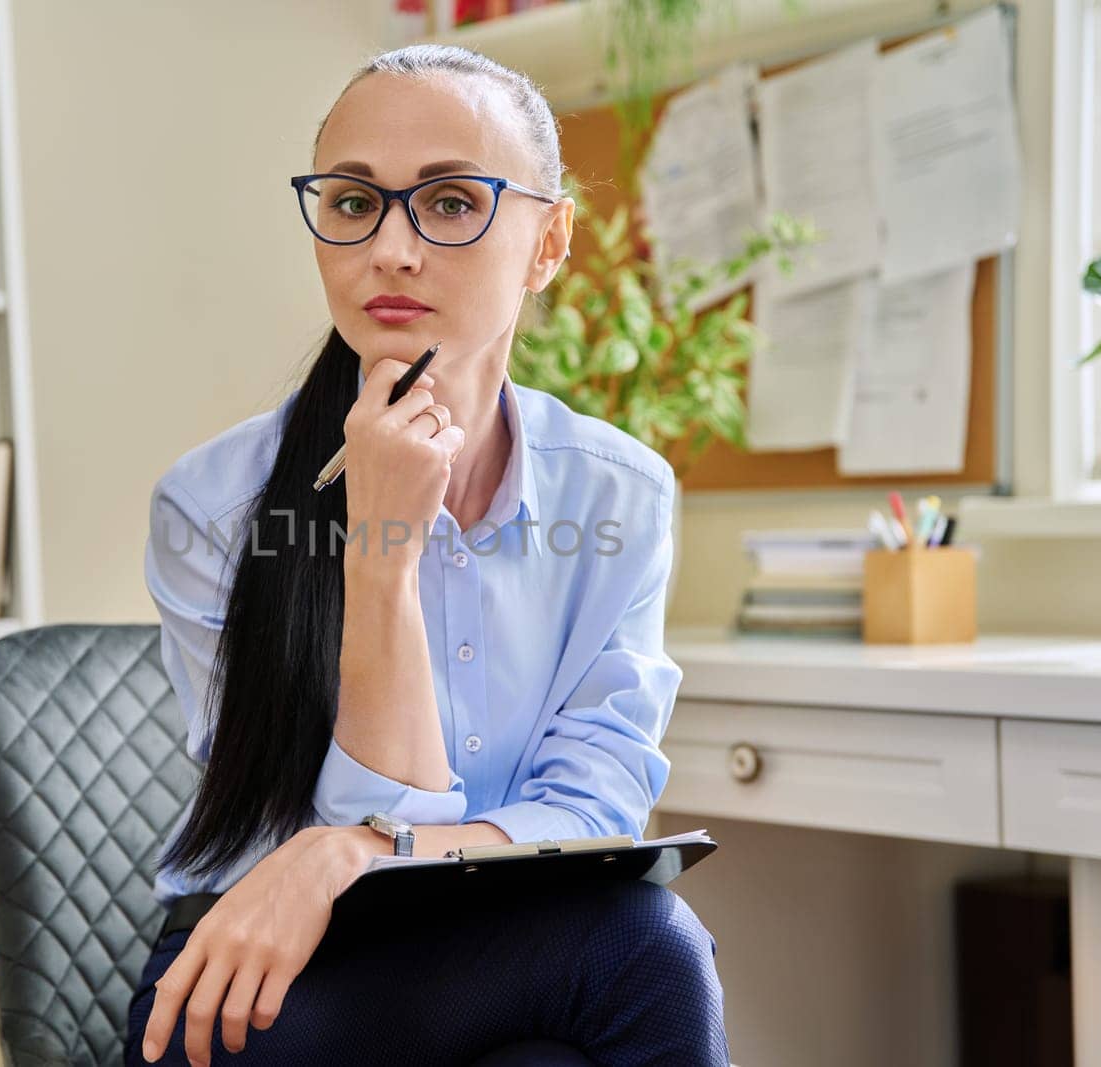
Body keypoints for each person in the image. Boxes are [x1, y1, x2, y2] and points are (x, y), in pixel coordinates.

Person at [130, 42, 728, 1067]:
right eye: (355, 203)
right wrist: (383, 549)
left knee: (613, 978)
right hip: (264, 977)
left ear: (548, 243)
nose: (393, 251)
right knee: (645, 950)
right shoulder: (212, 505)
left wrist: (356, 844)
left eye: (451, 202)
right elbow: (385, 820)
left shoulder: (617, 493)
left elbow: (594, 804)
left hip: (507, 946)